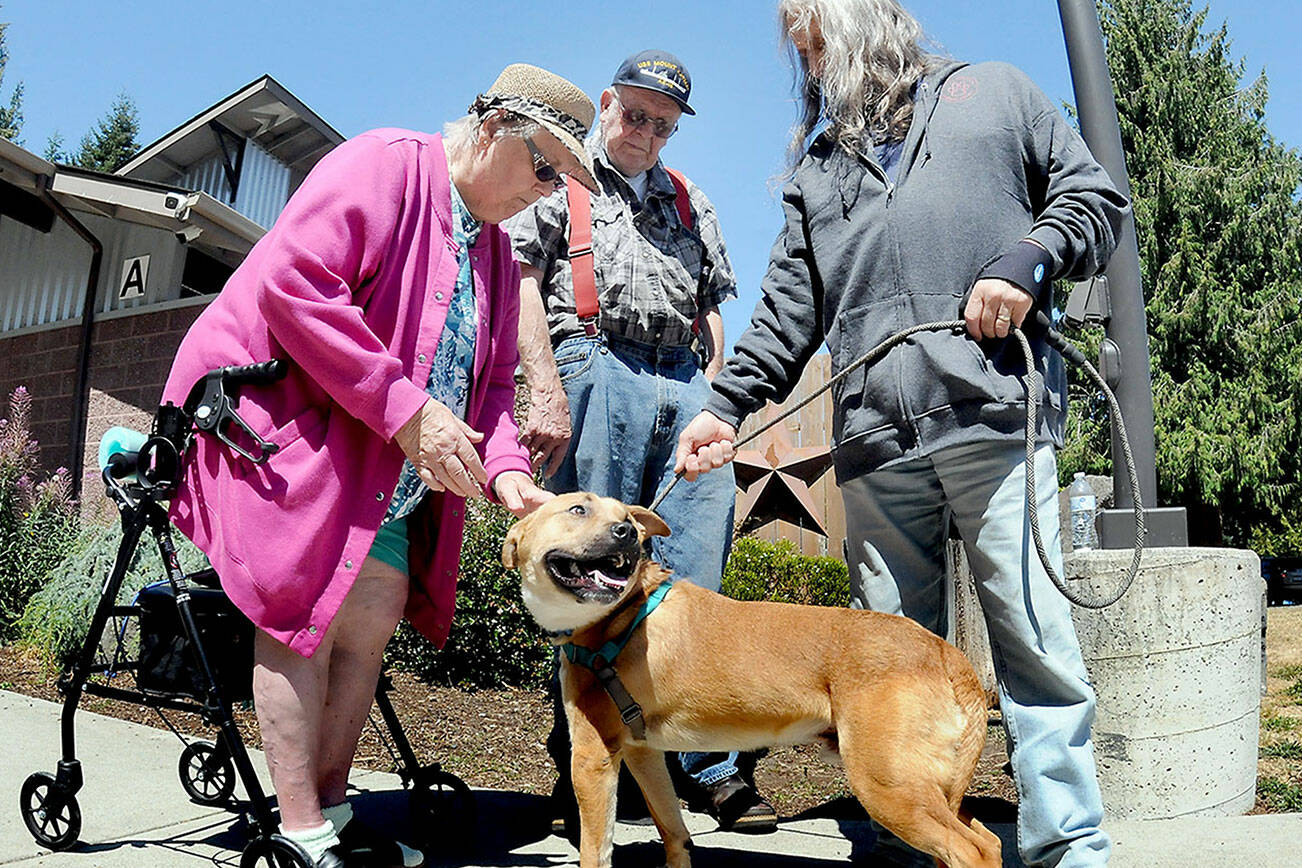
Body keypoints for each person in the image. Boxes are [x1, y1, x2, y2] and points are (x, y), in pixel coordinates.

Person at [676, 2, 1130, 866]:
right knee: (883, 669)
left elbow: (1095, 200)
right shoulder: (817, 169)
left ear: (869, 28)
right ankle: (903, 850)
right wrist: (725, 405)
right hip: (877, 446)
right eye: (799, 55)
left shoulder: (994, 95)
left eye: (816, 45)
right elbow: (785, 312)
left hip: (996, 417)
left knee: (1037, 648)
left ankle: (1070, 849)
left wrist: (1026, 261)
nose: (807, 67)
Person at [161, 65, 599, 868]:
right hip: (282, 435)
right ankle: (300, 831)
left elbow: (494, 384)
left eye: (562, 183)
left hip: (384, 469)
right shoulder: (384, 164)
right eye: (545, 167)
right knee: (303, 621)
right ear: (498, 123)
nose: (547, 191)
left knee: (369, 621)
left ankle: (331, 807)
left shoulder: (498, 253)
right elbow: (295, 283)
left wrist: (506, 472)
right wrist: (408, 411)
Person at [502, 50, 777, 834]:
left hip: (683, 382)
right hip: (594, 366)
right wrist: (546, 385)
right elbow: (521, 277)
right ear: (606, 104)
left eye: (662, 123)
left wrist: (718, 394)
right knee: (583, 584)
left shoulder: (692, 201)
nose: (646, 132)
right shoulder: (561, 177)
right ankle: (584, 768)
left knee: (694, 575)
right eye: (634, 113)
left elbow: (714, 305)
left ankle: (712, 768)